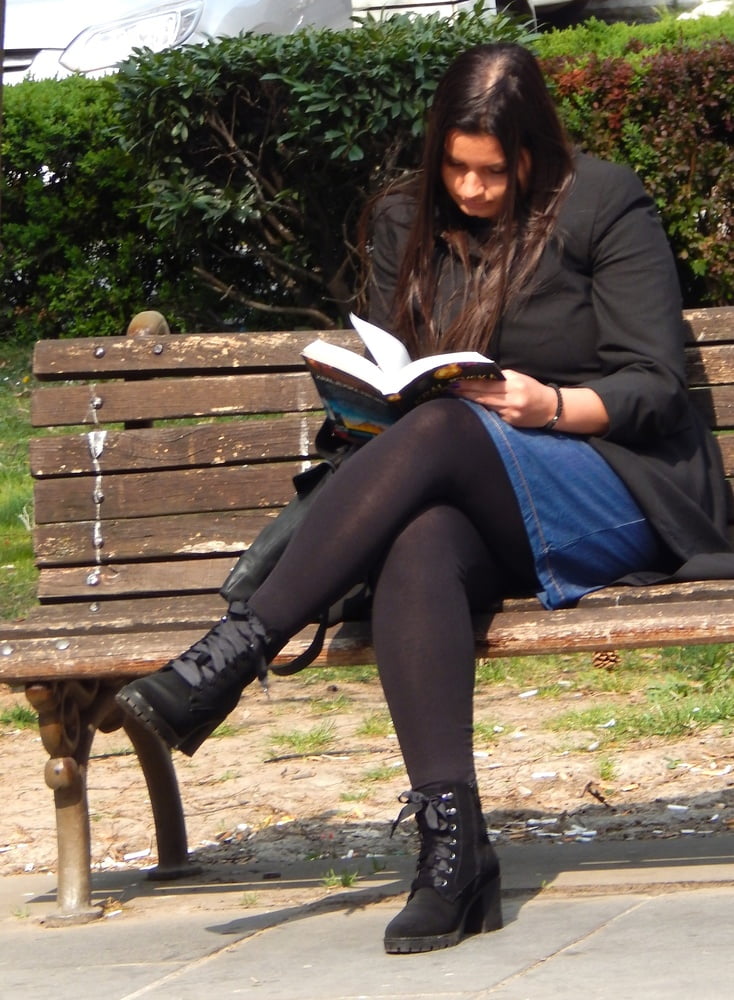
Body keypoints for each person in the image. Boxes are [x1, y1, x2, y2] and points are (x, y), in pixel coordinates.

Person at [115, 42, 733, 954]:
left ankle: (237, 650)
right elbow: (392, 369)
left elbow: (650, 385)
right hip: (473, 494)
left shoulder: (603, 201)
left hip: (611, 485)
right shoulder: (406, 218)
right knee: (420, 537)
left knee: (445, 432)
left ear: (535, 152)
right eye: (455, 165)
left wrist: (549, 405)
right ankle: (454, 852)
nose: (473, 188)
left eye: (492, 170)